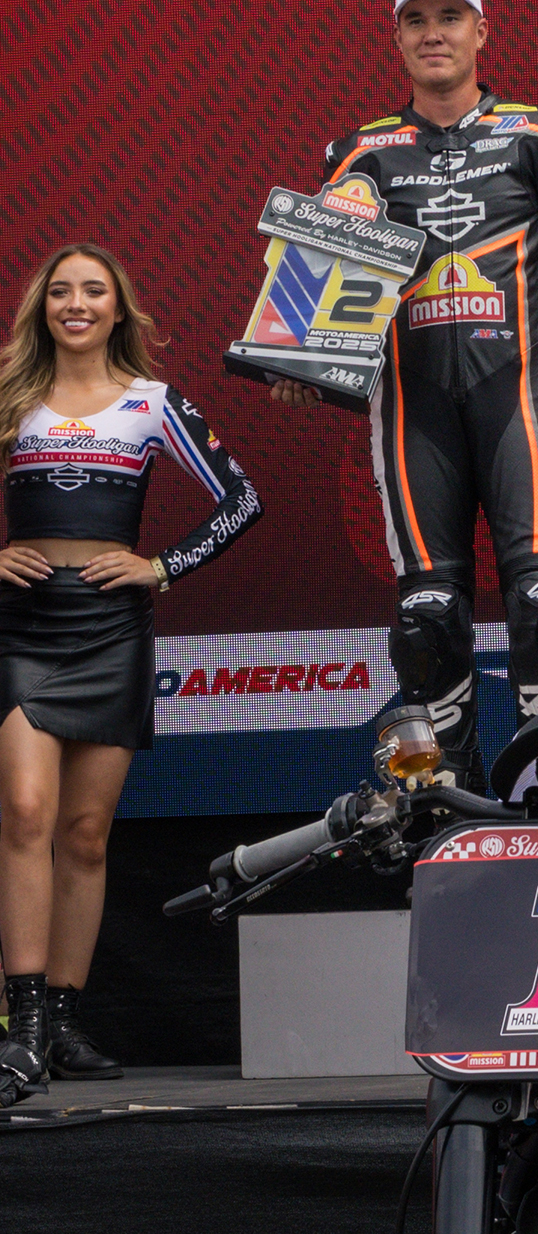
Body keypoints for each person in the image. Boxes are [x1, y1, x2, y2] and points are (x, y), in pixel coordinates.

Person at [271, 0, 538, 791]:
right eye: (417, 20)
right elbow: (315, 283)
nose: (433, 33)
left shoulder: (535, 133)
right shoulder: (361, 153)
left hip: (524, 396)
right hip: (412, 406)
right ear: (397, 39)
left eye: (449, 17)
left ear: (481, 30)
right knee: (426, 620)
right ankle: (452, 807)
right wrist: (299, 357)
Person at [0, 244, 262, 1100]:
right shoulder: (11, 397)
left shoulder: (152, 403)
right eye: (62, 292)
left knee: (82, 833)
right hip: (23, 629)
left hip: (112, 627)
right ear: (44, 307)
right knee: (27, 810)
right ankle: (25, 1023)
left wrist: (159, 567)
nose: (76, 304)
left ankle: (66, 1019)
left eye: (94, 292)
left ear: (119, 309)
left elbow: (242, 498)